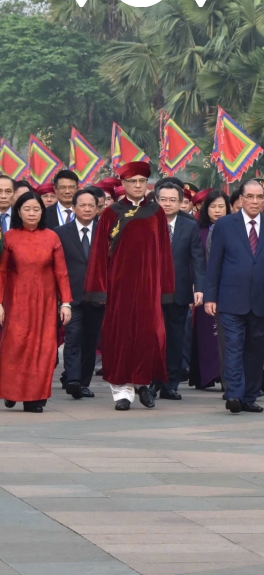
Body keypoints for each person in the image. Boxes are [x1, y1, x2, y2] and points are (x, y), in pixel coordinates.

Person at [85, 161, 174, 411]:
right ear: (123, 184)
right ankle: (122, 392)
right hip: (119, 286)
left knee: (149, 335)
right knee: (120, 337)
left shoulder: (156, 213)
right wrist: (99, 288)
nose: (137, 185)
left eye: (141, 181)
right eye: (132, 181)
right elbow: (99, 253)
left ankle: (143, 383)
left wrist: (166, 288)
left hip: (149, 286)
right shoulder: (111, 213)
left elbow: (164, 253)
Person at [202, 180, 264, 414]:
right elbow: (214, 264)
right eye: (249, 197)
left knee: (255, 350)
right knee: (232, 347)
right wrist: (210, 296)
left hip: (262, 300)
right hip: (229, 299)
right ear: (240, 199)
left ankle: (250, 396)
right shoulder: (224, 225)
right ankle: (233, 394)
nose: (254, 201)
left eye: (259, 197)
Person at [0, 191, 71, 412]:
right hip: (16, 301)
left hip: (45, 302)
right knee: (15, 346)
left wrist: (66, 303)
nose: (32, 213)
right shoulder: (9, 237)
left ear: (43, 212)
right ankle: (12, 391)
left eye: (36, 209)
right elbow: (1, 272)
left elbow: (61, 273)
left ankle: (35, 397)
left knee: (43, 349)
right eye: (27, 209)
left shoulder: (52, 237)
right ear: (18, 212)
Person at [154, 179, 205, 401]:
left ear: (181, 202)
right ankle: (151, 380)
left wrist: (199, 288)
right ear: (156, 201)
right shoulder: (145, 223)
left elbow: (197, 259)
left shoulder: (189, 225)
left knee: (175, 339)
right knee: (154, 338)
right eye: (163, 199)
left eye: (172, 200)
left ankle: (170, 384)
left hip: (179, 291)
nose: (167, 204)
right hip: (152, 291)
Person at [56, 187, 104, 399]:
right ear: (73, 207)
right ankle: (73, 378)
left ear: (97, 209)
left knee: (90, 340)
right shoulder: (60, 233)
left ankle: (83, 381)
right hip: (71, 295)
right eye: (82, 205)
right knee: (73, 336)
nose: (87, 209)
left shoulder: (106, 232)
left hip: (97, 296)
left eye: (91, 206)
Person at [190, 191, 228, 390]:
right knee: (206, 334)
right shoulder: (198, 230)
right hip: (206, 290)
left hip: (228, 288)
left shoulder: (232, 228)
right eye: (213, 207)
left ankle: (226, 377)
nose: (217, 210)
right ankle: (206, 375)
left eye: (221, 206)